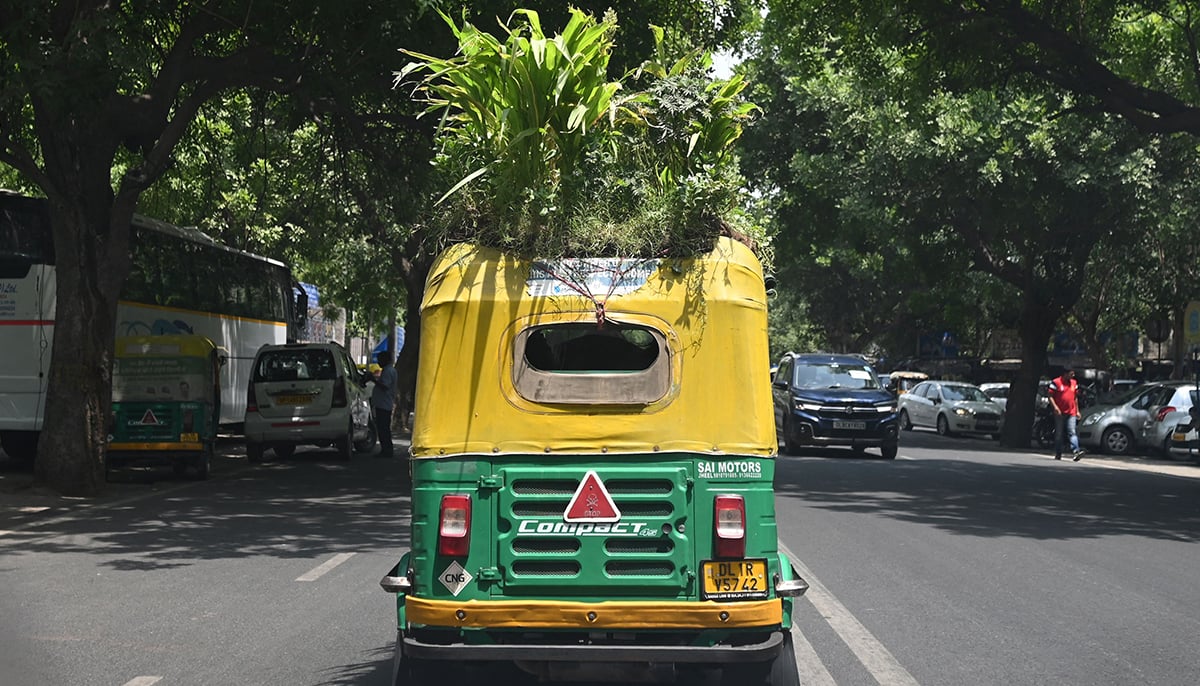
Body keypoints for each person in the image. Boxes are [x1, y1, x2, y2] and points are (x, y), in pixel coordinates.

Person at [1048, 367, 1085, 461]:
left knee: (1072, 432)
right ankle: (1058, 453)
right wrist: (1055, 407)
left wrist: (1077, 410)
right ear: (1065, 374)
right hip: (1059, 413)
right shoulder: (1056, 382)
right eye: (1071, 374)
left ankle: (1076, 451)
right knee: (1059, 433)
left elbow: (1075, 397)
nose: (1073, 375)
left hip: (1071, 412)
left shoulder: (1074, 383)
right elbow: (1050, 396)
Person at [372, 350, 397, 459]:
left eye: (380, 360)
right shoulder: (390, 370)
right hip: (384, 403)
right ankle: (386, 449)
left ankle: (386, 450)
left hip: (384, 404)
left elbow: (385, 386)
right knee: (383, 428)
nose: (378, 362)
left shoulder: (388, 371)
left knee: (383, 428)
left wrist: (373, 380)